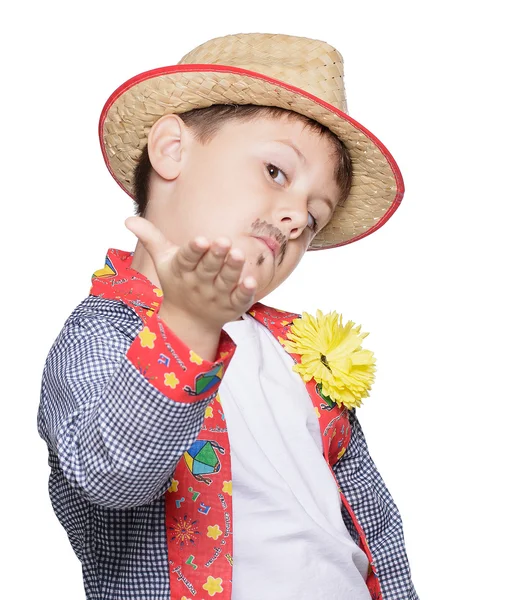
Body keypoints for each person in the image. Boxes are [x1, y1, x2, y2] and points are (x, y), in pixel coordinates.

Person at [37, 32, 418, 600]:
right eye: (275, 172)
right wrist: (188, 324)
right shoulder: (101, 334)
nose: (294, 219)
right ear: (172, 151)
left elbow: (371, 520)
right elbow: (106, 475)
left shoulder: (301, 356)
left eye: (314, 216)